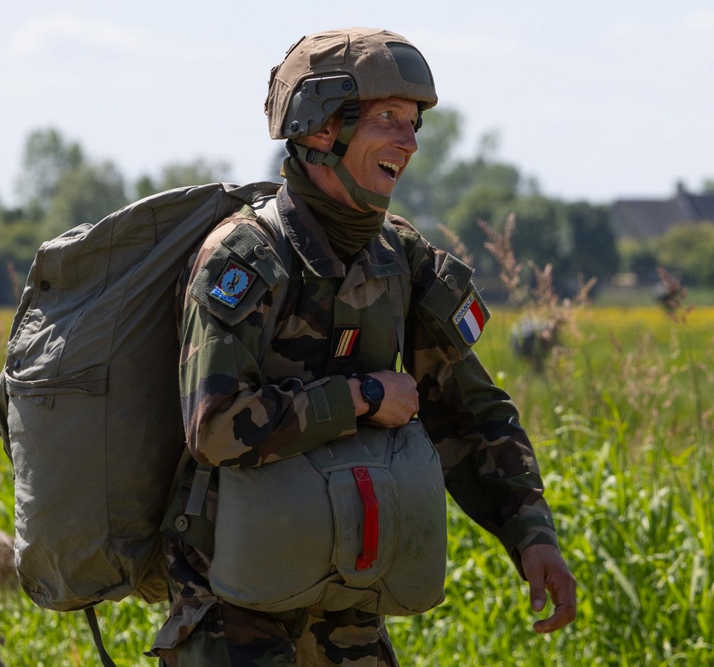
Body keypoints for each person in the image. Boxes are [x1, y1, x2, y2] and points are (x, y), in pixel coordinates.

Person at [150, 27, 576, 666]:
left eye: (413, 124)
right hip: (233, 609)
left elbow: (471, 411)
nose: (408, 143)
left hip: (347, 600)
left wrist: (532, 535)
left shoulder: (400, 257)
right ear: (321, 127)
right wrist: (363, 396)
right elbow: (215, 429)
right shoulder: (245, 258)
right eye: (388, 120)